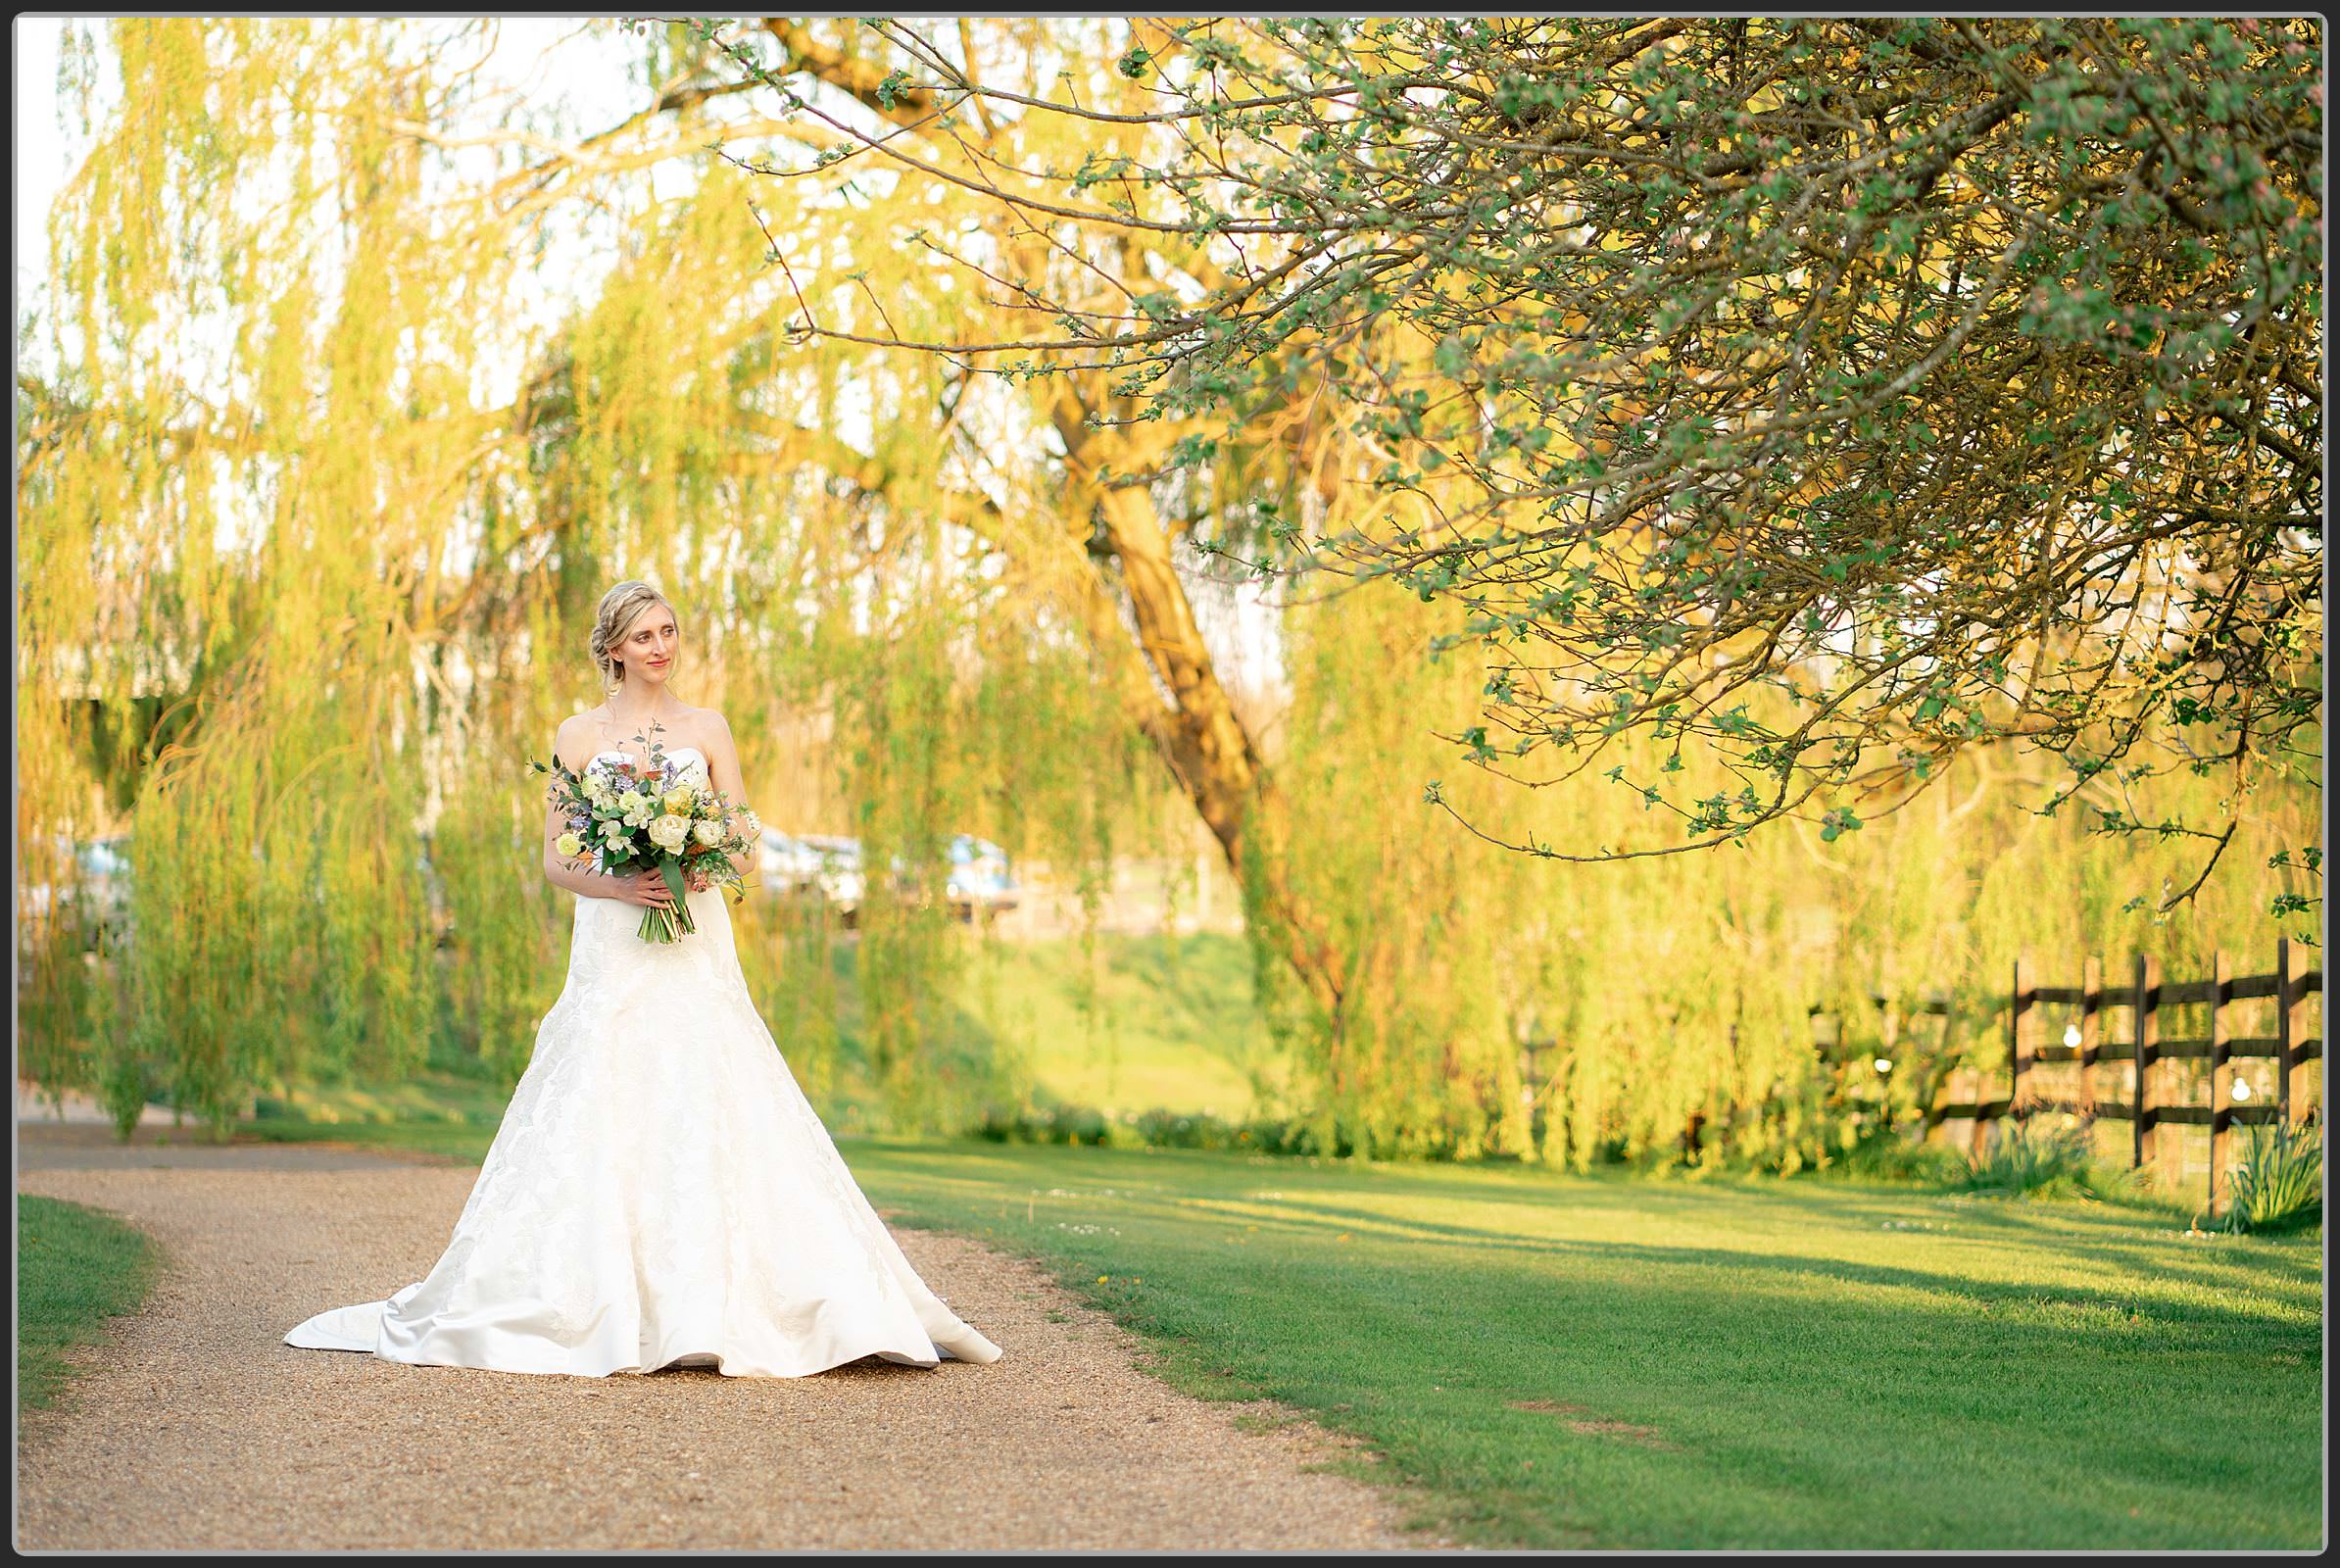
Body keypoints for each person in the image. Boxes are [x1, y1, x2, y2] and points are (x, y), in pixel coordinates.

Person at [282, 579, 1004, 1377]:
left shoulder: (708, 727)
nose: (662, 646)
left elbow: (742, 834)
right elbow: (556, 858)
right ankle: (607, 1295)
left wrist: (701, 856)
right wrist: (620, 882)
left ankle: (744, 1297)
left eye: (669, 631)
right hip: (617, 933)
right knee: (606, 1082)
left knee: (713, 1082)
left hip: (695, 932)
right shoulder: (579, 734)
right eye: (645, 635)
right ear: (615, 648)